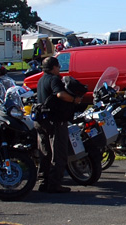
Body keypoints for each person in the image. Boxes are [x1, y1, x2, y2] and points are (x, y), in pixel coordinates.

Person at [34, 57, 90, 193]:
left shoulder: (41, 80)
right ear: (53, 67)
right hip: (55, 120)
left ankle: (43, 182)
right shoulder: (54, 79)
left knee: (45, 153)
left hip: (40, 120)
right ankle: (54, 184)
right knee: (59, 153)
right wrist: (74, 100)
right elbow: (60, 94)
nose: (59, 68)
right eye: (58, 66)